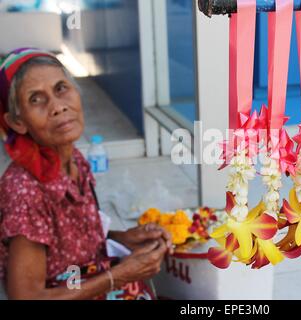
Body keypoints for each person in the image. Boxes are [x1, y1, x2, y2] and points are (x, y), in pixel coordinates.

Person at [0, 48, 173, 300]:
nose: (57, 107)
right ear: (18, 122)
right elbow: (27, 296)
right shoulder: (24, 189)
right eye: (36, 99)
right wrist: (119, 275)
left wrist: (124, 238)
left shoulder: (75, 160)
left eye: (61, 88)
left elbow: (65, 245)